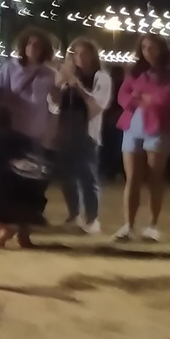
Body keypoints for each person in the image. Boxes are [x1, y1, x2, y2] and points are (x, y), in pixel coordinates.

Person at [114, 34, 170, 242]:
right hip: (132, 127)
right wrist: (141, 98)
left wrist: (142, 97)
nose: (148, 52)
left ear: (162, 50)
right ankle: (128, 225)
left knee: (155, 177)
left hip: (159, 127)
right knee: (132, 178)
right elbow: (123, 96)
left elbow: (167, 99)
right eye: (144, 47)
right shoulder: (135, 72)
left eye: (152, 48)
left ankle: (153, 225)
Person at [49, 38, 114, 234]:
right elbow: (52, 103)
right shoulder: (66, 78)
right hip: (65, 130)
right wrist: (60, 82)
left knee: (87, 175)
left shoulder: (101, 77)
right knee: (67, 176)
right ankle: (73, 214)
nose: (80, 58)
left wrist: (78, 87)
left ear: (94, 56)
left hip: (86, 132)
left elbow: (97, 106)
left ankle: (92, 218)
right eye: (76, 54)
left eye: (84, 54)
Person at [0, 105, 51, 248]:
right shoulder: (26, 142)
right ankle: (23, 234)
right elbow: (41, 174)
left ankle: (5, 227)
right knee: (29, 191)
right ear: (10, 121)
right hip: (28, 207)